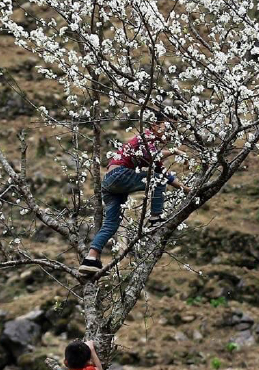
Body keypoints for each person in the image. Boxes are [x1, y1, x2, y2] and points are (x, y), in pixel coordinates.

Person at [78, 117, 184, 277]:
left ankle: (90, 260)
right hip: (118, 175)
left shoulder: (150, 145)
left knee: (111, 224)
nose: (170, 132)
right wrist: (174, 151)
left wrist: (186, 188)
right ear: (154, 126)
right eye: (167, 127)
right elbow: (153, 157)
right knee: (158, 180)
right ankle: (156, 218)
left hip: (110, 184)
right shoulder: (146, 137)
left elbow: (163, 173)